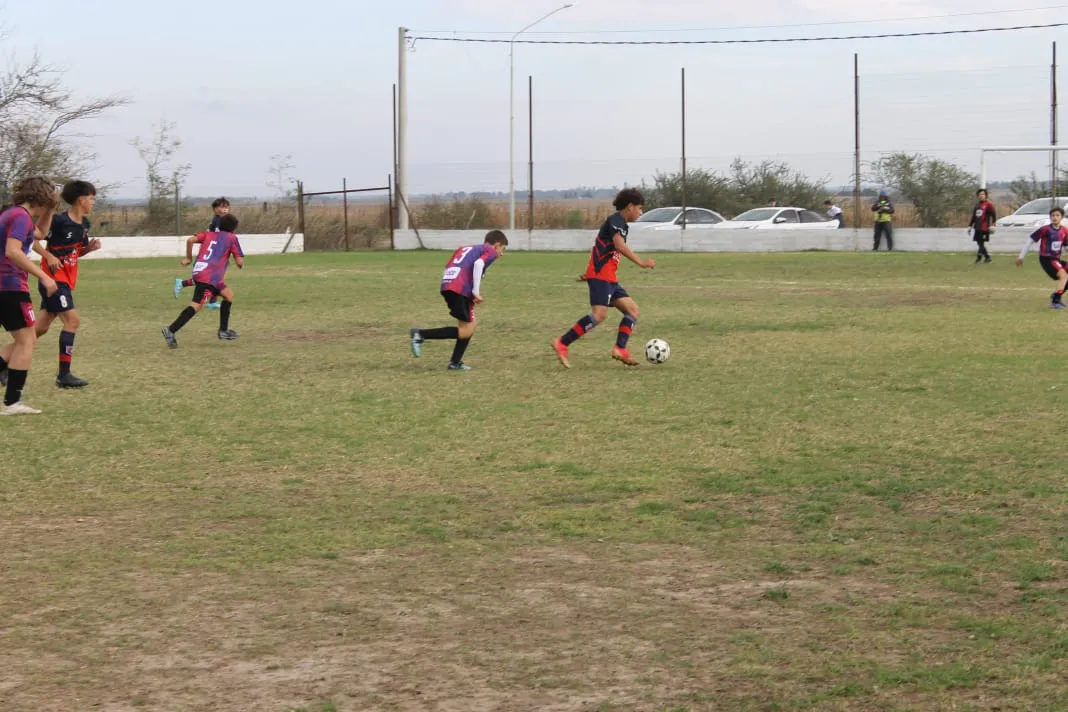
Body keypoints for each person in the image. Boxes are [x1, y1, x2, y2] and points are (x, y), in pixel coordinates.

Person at [551, 188, 656, 368]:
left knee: (632, 310)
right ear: (630, 206)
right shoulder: (616, 220)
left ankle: (620, 349)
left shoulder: (621, 224)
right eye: (639, 208)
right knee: (599, 315)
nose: (641, 212)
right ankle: (562, 342)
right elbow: (619, 245)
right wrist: (641, 262)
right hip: (602, 276)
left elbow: (602, 248)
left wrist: (589, 272)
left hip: (608, 278)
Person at [32, 180, 102, 388]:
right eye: (91, 198)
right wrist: (47, 255)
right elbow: (33, 240)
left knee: (40, 328)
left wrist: (88, 249)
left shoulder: (85, 225)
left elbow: (73, 252)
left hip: (65, 281)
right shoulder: (59, 221)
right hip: (53, 280)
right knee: (72, 321)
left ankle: (4, 363)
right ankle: (64, 375)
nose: (93, 203)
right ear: (81, 199)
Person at [0, 177, 59, 415]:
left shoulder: (14, 215)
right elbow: (13, 252)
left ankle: (12, 401)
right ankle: (12, 403)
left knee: (25, 340)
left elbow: (41, 233)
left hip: (6, 286)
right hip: (9, 285)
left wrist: (51, 210)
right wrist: (42, 276)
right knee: (27, 341)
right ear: (43, 197)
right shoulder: (20, 217)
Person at [409, 230, 508, 371]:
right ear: (497, 245)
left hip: (449, 285)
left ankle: (455, 362)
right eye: (502, 249)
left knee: (470, 325)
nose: (501, 253)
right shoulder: (490, 251)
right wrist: (475, 292)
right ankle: (421, 334)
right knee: (466, 330)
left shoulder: (466, 248)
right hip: (460, 288)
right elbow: (479, 264)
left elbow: (450, 266)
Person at [161, 213, 243, 348]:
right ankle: (170, 330)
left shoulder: (208, 234)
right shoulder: (232, 238)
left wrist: (188, 258)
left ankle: (224, 331)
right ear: (233, 228)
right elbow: (239, 263)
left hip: (203, 272)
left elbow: (190, 240)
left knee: (228, 295)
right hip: (209, 276)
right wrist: (239, 262)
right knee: (196, 305)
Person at [172, 197, 230, 308]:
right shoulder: (218, 221)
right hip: (211, 253)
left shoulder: (222, 221)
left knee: (216, 277)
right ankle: (183, 284)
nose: (225, 210)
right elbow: (216, 236)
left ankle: (212, 301)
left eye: (226, 207)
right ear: (215, 209)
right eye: (222, 207)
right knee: (206, 279)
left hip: (218, 253)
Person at [1016, 206, 1068, 309]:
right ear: (1050, 217)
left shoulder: (1065, 231)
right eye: (1052, 215)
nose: (1055, 217)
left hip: (1056, 259)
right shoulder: (1045, 229)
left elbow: (1066, 247)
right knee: (1064, 275)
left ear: (1062, 217)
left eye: (1057, 215)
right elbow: (1030, 240)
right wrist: (1021, 256)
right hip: (1047, 259)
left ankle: (1057, 294)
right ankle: (1055, 302)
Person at [969, 188, 996, 264]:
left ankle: (978, 259)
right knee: (979, 243)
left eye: (983, 194)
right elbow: (973, 217)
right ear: (978, 196)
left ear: (985, 195)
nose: (981, 196)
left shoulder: (988, 205)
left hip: (984, 228)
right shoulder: (977, 205)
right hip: (977, 227)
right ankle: (987, 257)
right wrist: (970, 226)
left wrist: (993, 225)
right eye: (980, 194)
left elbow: (993, 215)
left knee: (981, 243)